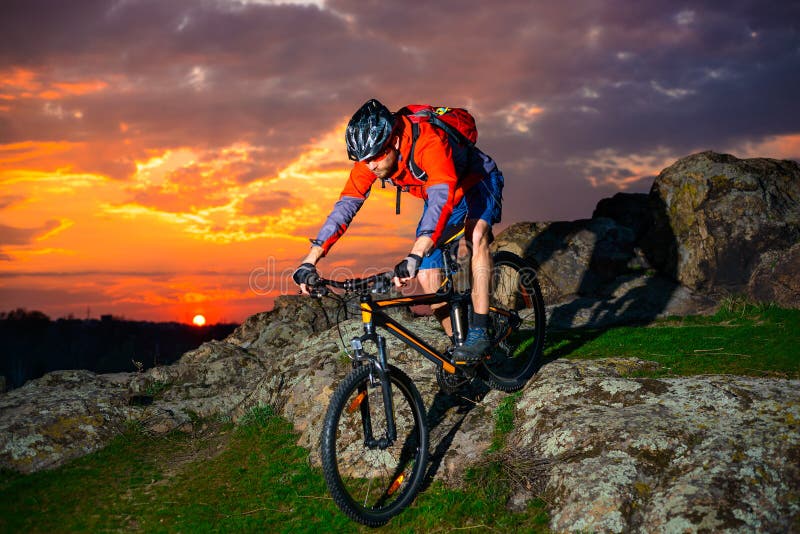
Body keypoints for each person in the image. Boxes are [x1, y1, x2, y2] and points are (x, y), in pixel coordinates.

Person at [292, 99, 503, 362]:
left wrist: (416, 252)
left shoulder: (429, 142)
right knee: (429, 282)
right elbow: (345, 206)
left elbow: (440, 198)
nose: (370, 166)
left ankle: (480, 331)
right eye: (363, 160)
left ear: (392, 141)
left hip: (475, 182)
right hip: (442, 194)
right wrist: (310, 258)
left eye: (375, 158)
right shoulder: (372, 158)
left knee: (476, 235)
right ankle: (460, 354)